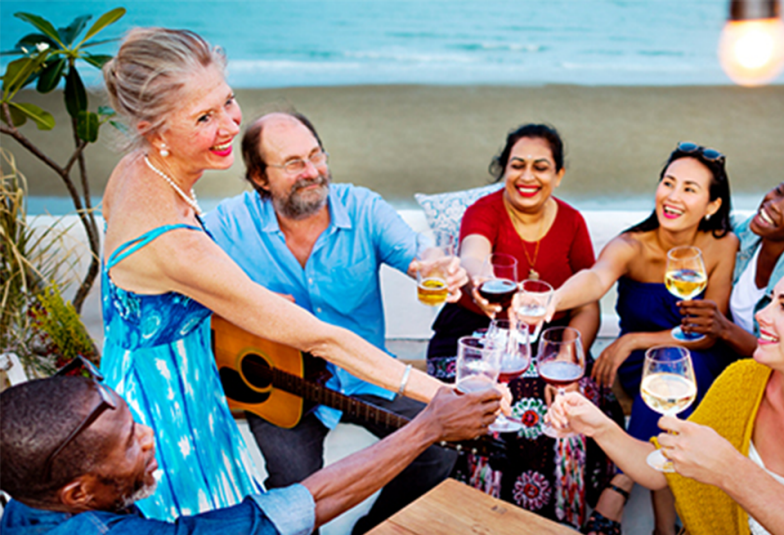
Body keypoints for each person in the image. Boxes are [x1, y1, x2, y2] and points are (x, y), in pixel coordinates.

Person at [99, 28, 455, 521]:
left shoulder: (136, 168)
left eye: (228, 101)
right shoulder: (174, 243)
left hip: (157, 369)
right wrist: (443, 395)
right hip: (164, 402)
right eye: (204, 117)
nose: (228, 125)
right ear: (153, 130)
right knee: (208, 519)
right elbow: (320, 338)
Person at [203, 110, 466, 534]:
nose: (312, 172)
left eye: (315, 155)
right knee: (293, 491)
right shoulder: (227, 223)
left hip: (364, 374)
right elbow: (174, 281)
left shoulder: (362, 208)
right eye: (292, 164)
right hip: (279, 384)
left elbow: (419, 255)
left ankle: (369, 529)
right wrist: (243, 303)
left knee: (441, 449)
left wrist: (435, 266)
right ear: (259, 178)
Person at [549, 258, 784, 535]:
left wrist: (730, 470)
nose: (763, 315)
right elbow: (663, 467)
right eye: (770, 299)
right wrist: (599, 426)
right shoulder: (742, 382)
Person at [0, 373, 501, 534]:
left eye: (137, 423)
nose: (152, 437)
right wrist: (427, 427)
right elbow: (298, 508)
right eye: (131, 442)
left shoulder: (31, 499)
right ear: (78, 491)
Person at [547, 142, 739, 535]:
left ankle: (621, 487)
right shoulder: (631, 245)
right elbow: (596, 279)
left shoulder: (722, 245)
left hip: (699, 358)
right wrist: (550, 300)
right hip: (642, 368)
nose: (673, 196)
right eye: (668, 183)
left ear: (712, 205)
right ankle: (666, 528)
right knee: (665, 382)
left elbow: (705, 334)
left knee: (673, 374)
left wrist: (634, 340)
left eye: (689, 189)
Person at [425, 124, 611, 527]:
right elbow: (474, 255)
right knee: (511, 404)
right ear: (502, 169)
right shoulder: (485, 210)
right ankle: (483, 521)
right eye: (517, 165)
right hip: (474, 335)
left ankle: (564, 522)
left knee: (575, 406)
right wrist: (482, 282)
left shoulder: (573, 222)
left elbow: (589, 301)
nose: (528, 177)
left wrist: (564, 360)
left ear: (558, 175)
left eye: (541, 167)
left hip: (550, 339)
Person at [677, 169, 784, 355]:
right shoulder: (743, 232)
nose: (774, 204)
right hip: (726, 356)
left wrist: (724, 329)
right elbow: (699, 222)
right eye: (779, 191)